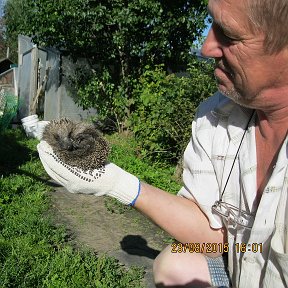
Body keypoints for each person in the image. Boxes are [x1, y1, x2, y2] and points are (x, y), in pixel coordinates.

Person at [37, 0, 288, 287]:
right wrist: (116, 182)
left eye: (229, 35)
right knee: (176, 262)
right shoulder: (217, 115)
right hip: (241, 261)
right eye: (212, 24)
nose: (206, 48)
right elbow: (214, 236)